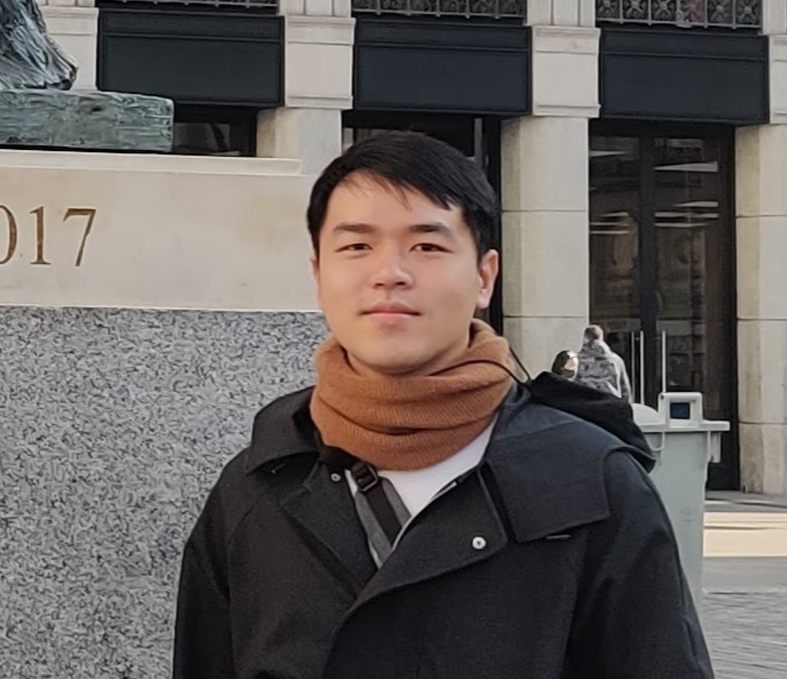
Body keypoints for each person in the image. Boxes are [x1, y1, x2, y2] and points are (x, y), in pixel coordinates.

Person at [173, 132, 713, 679]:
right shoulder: (259, 487)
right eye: (356, 247)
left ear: (484, 277)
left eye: (427, 246)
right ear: (318, 276)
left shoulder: (589, 481)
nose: (390, 273)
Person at [576, 324, 633, 402]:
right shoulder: (616, 360)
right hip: (612, 402)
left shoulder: (577, 360)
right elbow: (625, 388)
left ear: (585, 338)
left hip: (587, 403)